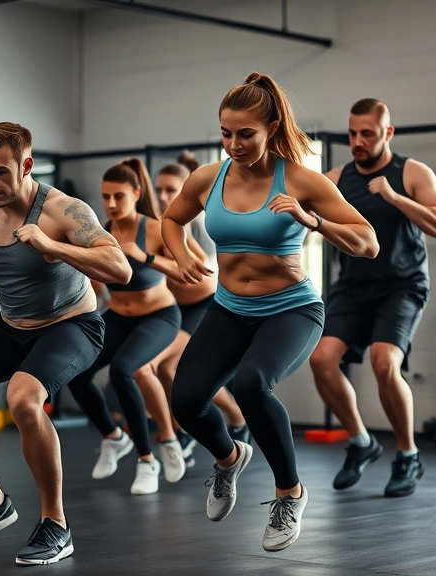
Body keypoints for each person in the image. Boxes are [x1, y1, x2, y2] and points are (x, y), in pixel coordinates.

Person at [162, 72, 378, 552]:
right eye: (225, 133)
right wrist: (179, 255)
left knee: (251, 385)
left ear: (272, 126)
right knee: (184, 402)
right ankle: (228, 457)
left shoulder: (299, 178)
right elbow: (172, 219)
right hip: (229, 308)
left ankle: (289, 491)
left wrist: (313, 221)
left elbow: (368, 242)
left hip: (292, 309)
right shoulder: (207, 178)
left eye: (246, 134)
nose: (234, 144)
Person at [0, 122, 131, 565]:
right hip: (10, 323)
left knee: (23, 399)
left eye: (0, 172)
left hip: (72, 325)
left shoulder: (61, 210)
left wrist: (54, 247)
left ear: (27, 165)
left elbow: (120, 268)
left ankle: (56, 523)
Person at [308, 98, 436, 497]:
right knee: (321, 360)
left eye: (367, 133)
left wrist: (395, 198)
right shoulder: (337, 177)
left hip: (402, 285)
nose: (357, 140)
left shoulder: (411, 172)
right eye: (352, 133)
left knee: (384, 362)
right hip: (353, 286)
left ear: (387, 133)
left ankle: (407, 454)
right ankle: (361, 442)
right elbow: (308, 225)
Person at [64, 158, 188, 495]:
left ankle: (150, 457)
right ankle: (113, 437)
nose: (111, 204)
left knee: (123, 371)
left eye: (119, 196)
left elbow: (186, 272)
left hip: (159, 317)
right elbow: (94, 282)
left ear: (136, 193)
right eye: (105, 197)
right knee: (75, 373)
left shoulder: (157, 227)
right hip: (117, 317)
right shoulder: (99, 233)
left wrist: (143, 255)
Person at [142, 158, 251, 455]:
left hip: (205, 304)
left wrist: (155, 259)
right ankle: (184, 428)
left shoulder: (195, 223)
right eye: (159, 190)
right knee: (167, 369)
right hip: (175, 308)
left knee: (166, 366)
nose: (164, 197)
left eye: (171, 190)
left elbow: (201, 274)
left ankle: (236, 416)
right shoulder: (156, 224)